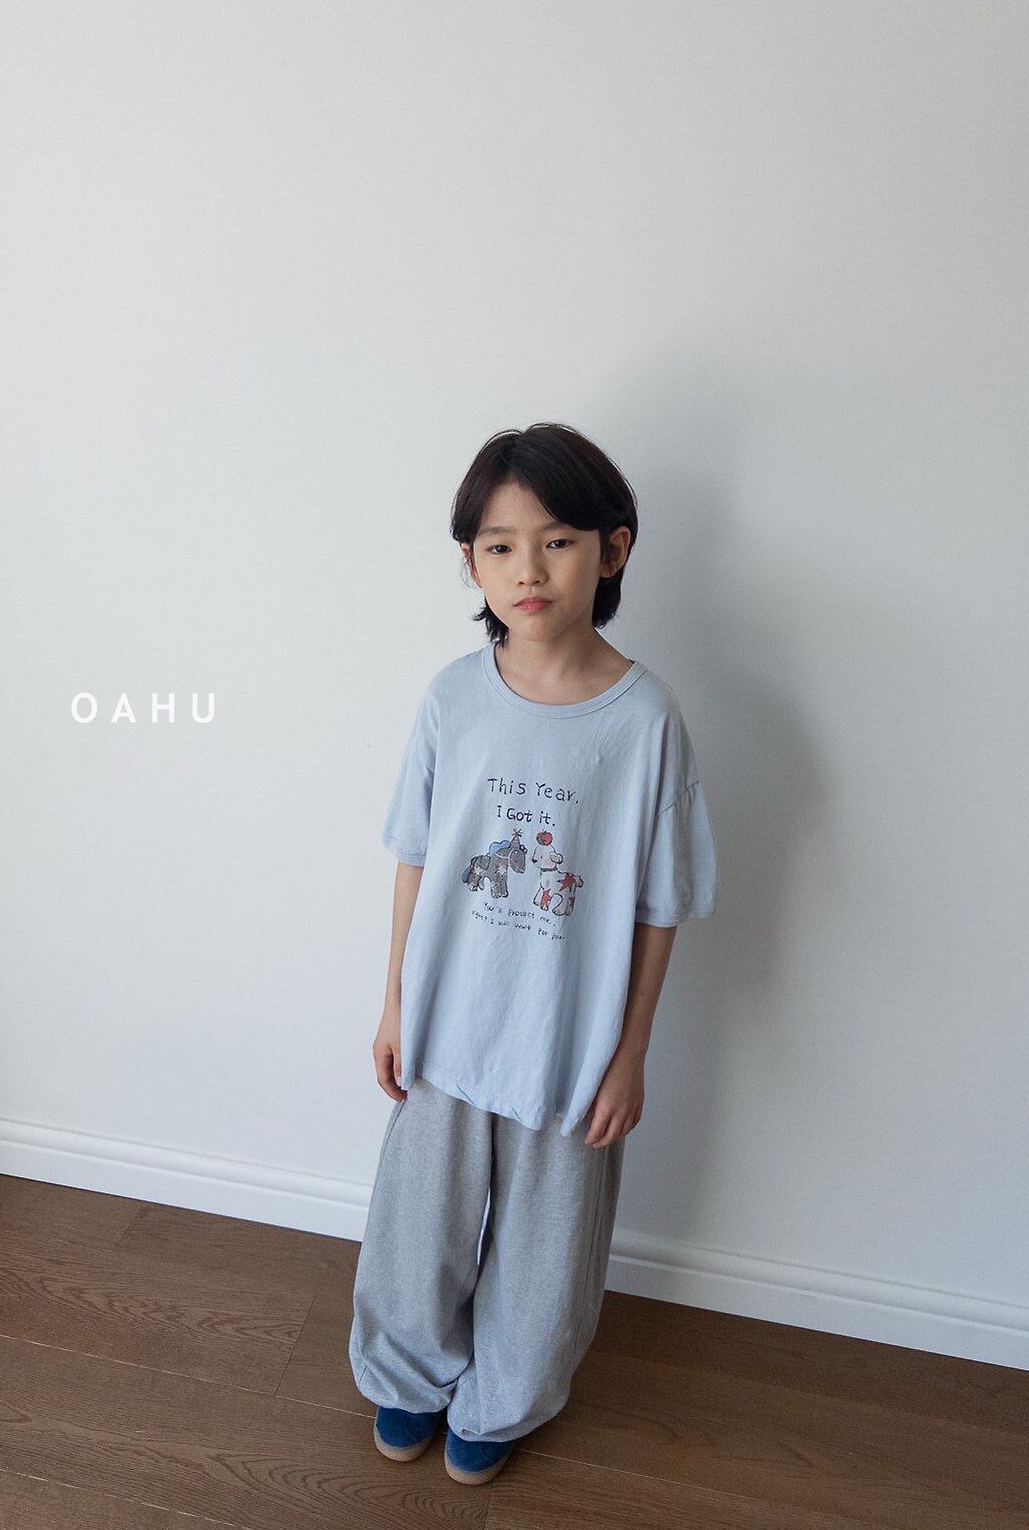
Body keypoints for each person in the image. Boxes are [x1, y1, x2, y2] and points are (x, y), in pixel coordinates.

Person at [348, 422, 719, 1486]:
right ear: (470, 561)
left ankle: (504, 1397)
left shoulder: (644, 720)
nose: (529, 569)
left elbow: (658, 904)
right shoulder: (452, 697)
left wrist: (629, 1054)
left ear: (612, 549)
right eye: (499, 545)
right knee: (417, 1222)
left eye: (556, 541)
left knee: (549, 1244)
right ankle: (407, 1373)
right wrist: (394, 1002)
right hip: (448, 1021)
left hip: (570, 1036)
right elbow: (416, 858)